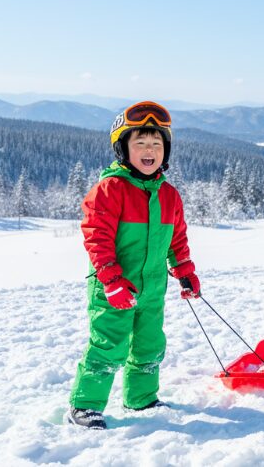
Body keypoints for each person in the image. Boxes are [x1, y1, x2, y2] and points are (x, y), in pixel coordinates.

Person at [67, 101, 201, 430]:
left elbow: (177, 240)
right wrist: (111, 280)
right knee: (109, 344)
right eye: (139, 143)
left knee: (149, 343)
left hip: (153, 286)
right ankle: (84, 405)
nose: (148, 150)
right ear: (123, 149)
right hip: (113, 286)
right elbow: (96, 239)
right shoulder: (109, 191)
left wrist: (185, 271)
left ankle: (141, 399)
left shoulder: (169, 195)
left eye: (156, 144)